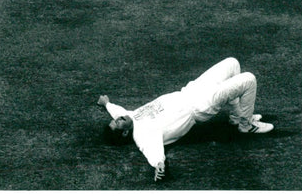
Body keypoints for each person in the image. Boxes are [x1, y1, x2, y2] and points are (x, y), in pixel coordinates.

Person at [98, 57, 274, 182]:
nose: (119, 117)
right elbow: (152, 151)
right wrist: (159, 165)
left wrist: (107, 104)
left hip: (192, 89)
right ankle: (245, 125)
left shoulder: (131, 115)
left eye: (117, 119)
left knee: (232, 63)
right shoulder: (143, 136)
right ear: (126, 132)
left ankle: (237, 118)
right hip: (201, 106)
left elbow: (117, 111)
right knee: (249, 79)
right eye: (118, 122)